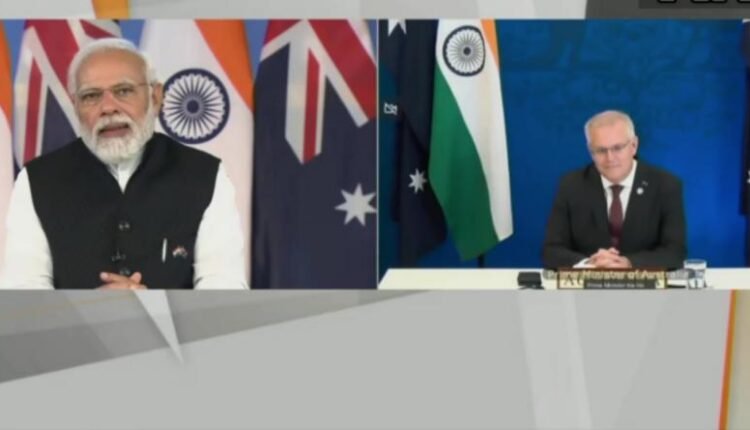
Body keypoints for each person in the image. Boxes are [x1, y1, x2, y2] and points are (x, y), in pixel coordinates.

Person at [0, 38, 247, 289]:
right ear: (75, 106)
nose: (108, 107)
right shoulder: (38, 179)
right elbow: (23, 292)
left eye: (124, 91)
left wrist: (156, 306)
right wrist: (88, 309)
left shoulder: (204, 174)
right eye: (91, 96)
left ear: (155, 97)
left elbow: (225, 288)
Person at [542, 110, 686, 269]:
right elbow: (552, 251)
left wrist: (629, 264)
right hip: (588, 282)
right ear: (590, 151)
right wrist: (589, 264)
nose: (610, 158)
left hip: (645, 283)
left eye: (617, 148)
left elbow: (675, 252)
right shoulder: (571, 185)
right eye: (601, 150)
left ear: (634, 145)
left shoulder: (666, 185)